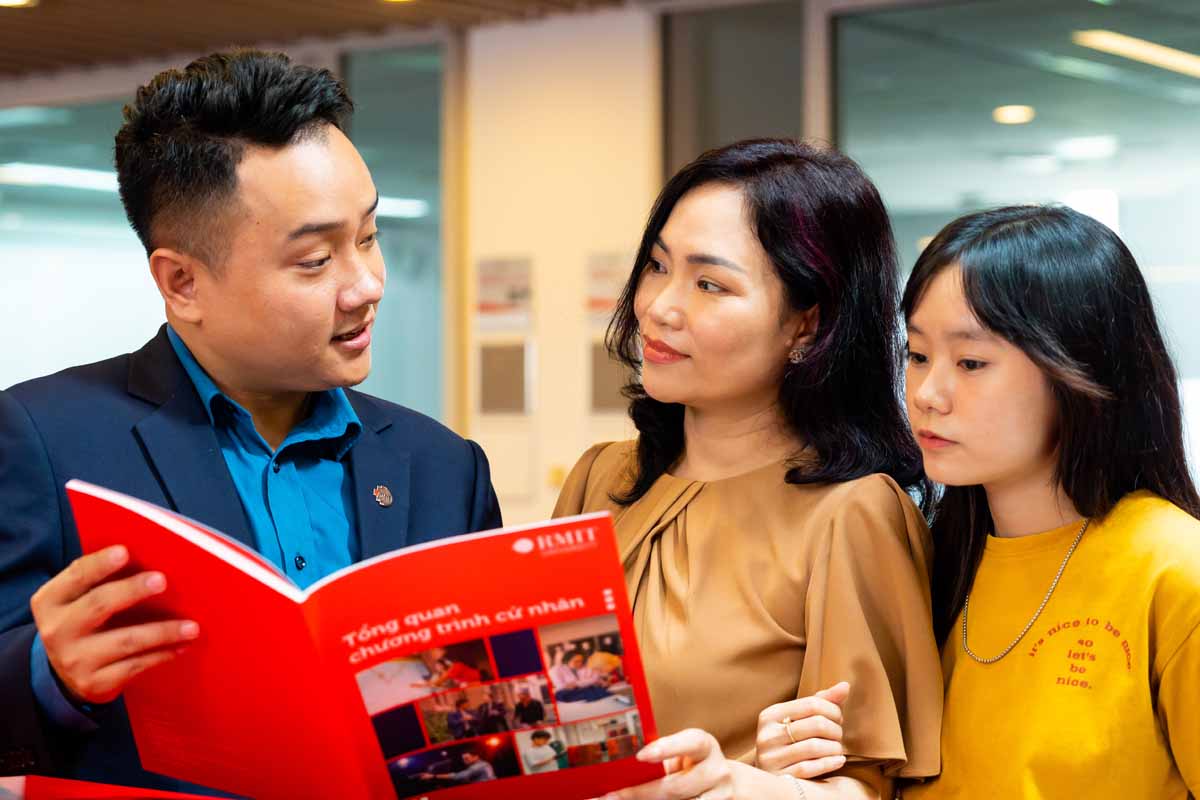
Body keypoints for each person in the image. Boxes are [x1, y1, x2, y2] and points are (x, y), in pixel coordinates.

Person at [0, 50, 501, 791]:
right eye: (313, 261)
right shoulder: (44, 440)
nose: (365, 286)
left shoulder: (443, 467)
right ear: (182, 282)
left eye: (367, 237)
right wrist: (50, 674)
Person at [759, 205, 1200, 798]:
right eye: (916, 355)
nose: (929, 394)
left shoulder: (1174, 569)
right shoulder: (929, 560)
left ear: (1079, 370)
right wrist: (801, 770)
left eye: (971, 362)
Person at [555, 139, 942, 799]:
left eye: (710, 283)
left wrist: (735, 786)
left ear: (807, 325)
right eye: (657, 266)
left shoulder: (850, 513)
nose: (659, 307)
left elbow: (865, 786)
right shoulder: (601, 479)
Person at [548, 649, 614, 702]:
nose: (580, 663)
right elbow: (561, 686)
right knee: (591, 691)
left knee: (595, 690)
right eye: (576, 661)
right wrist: (584, 683)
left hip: (581, 691)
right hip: (565, 693)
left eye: (581, 661)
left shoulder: (583, 668)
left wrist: (602, 683)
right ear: (567, 660)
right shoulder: (555, 670)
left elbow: (594, 680)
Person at [419, 751, 495, 784]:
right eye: (463, 759)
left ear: (476, 757)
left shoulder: (478, 766)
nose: (465, 761)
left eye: (467, 758)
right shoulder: (483, 764)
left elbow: (459, 776)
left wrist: (433, 776)